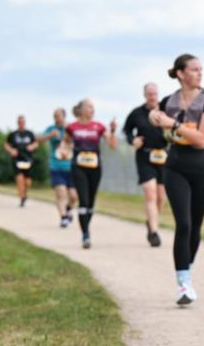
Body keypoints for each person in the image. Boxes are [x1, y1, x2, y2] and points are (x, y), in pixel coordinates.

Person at [149, 54, 204, 306]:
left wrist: (173, 124)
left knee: (196, 225)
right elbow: (155, 117)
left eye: (201, 69)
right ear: (181, 74)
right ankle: (183, 284)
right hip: (175, 168)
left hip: (201, 169)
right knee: (184, 224)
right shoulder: (169, 101)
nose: (200, 73)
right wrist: (154, 117)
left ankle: (186, 270)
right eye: (194, 69)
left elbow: (201, 140)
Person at [64, 99, 117, 249]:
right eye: (89, 107)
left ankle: (86, 227)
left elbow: (112, 145)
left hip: (95, 167)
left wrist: (113, 131)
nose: (92, 110)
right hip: (78, 167)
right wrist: (64, 151)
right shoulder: (72, 127)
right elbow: (65, 142)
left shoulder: (99, 126)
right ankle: (85, 234)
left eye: (93, 107)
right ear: (81, 110)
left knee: (91, 203)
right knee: (84, 200)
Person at [124, 82, 169, 247]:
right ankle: (154, 232)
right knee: (150, 193)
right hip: (145, 156)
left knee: (161, 197)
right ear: (145, 95)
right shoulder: (136, 113)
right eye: (150, 94)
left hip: (163, 157)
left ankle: (150, 222)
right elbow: (127, 130)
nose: (153, 97)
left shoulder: (165, 111)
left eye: (155, 94)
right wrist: (132, 140)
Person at [40, 108, 78, 227]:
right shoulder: (51, 129)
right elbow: (38, 140)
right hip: (56, 165)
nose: (56, 118)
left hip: (71, 166)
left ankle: (68, 208)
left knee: (74, 196)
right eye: (54, 116)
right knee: (61, 193)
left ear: (64, 116)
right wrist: (49, 135)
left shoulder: (71, 129)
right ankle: (63, 217)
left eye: (58, 116)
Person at [5, 115, 38, 207]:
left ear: (25, 123)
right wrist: (11, 150)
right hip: (17, 159)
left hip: (27, 159)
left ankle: (25, 194)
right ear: (17, 123)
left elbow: (36, 143)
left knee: (28, 182)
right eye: (20, 122)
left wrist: (32, 146)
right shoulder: (13, 134)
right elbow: (6, 144)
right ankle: (22, 198)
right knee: (20, 178)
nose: (21, 124)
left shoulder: (30, 134)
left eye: (23, 122)